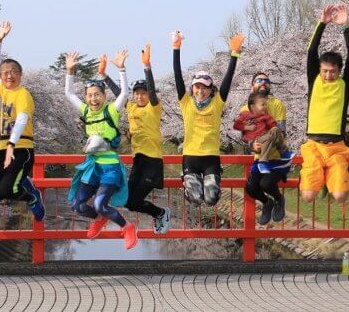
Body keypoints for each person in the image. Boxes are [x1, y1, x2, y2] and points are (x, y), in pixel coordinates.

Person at [64, 50, 139, 250]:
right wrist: (70, 72)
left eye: (97, 95)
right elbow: (69, 94)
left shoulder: (111, 111)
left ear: (104, 96)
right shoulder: (86, 111)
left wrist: (121, 69)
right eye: (89, 95)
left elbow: (124, 94)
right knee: (79, 206)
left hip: (110, 167)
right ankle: (100, 218)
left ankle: (127, 227)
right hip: (92, 166)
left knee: (100, 203)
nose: (93, 99)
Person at [102, 44, 173, 234]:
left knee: (133, 200)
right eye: (137, 93)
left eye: (144, 93)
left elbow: (152, 88)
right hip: (138, 160)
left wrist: (147, 67)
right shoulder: (132, 107)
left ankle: (160, 213)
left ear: (149, 95)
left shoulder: (154, 107)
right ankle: (159, 213)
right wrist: (105, 76)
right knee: (128, 202)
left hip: (152, 160)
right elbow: (119, 93)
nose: (140, 96)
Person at [172, 30, 244, 206]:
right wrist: (176, 48)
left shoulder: (217, 103)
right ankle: (188, 188)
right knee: (195, 200)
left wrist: (234, 54)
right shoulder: (186, 102)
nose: (200, 91)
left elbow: (228, 79)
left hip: (211, 157)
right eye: (197, 87)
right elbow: (177, 76)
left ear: (211, 90)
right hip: (190, 156)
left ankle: (207, 188)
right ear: (192, 89)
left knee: (211, 199)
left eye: (204, 87)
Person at [0, 20, 45, 222]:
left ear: (20, 75)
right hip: (3, 147)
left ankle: (31, 195)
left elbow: (21, 120)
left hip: (21, 149)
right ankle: (23, 184)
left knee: (8, 189)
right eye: (5, 73)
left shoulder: (23, 94)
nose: (9, 76)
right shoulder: (3, 90)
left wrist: (12, 144)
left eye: (13, 72)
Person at [300, 4, 349, 204]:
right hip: (314, 145)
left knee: (341, 196)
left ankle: (341, 177)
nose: (328, 74)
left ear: (339, 71)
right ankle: (319, 178)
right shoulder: (314, 81)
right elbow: (311, 50)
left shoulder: (345, 84)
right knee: (307, 197)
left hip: (336, 147)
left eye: (332, 71)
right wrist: (321, 24)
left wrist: (346, 27)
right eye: (324, 70)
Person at [234, 92, 292, 224]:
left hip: (276, 159)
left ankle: (279, 199)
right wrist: (253, 145)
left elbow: (279, 133)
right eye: (262, 104)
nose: (264, 107)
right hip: (259, 158)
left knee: (265, 184)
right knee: (251, 188)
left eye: (265, 104)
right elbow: (246, 139)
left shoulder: (275, 109)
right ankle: (267, 203)